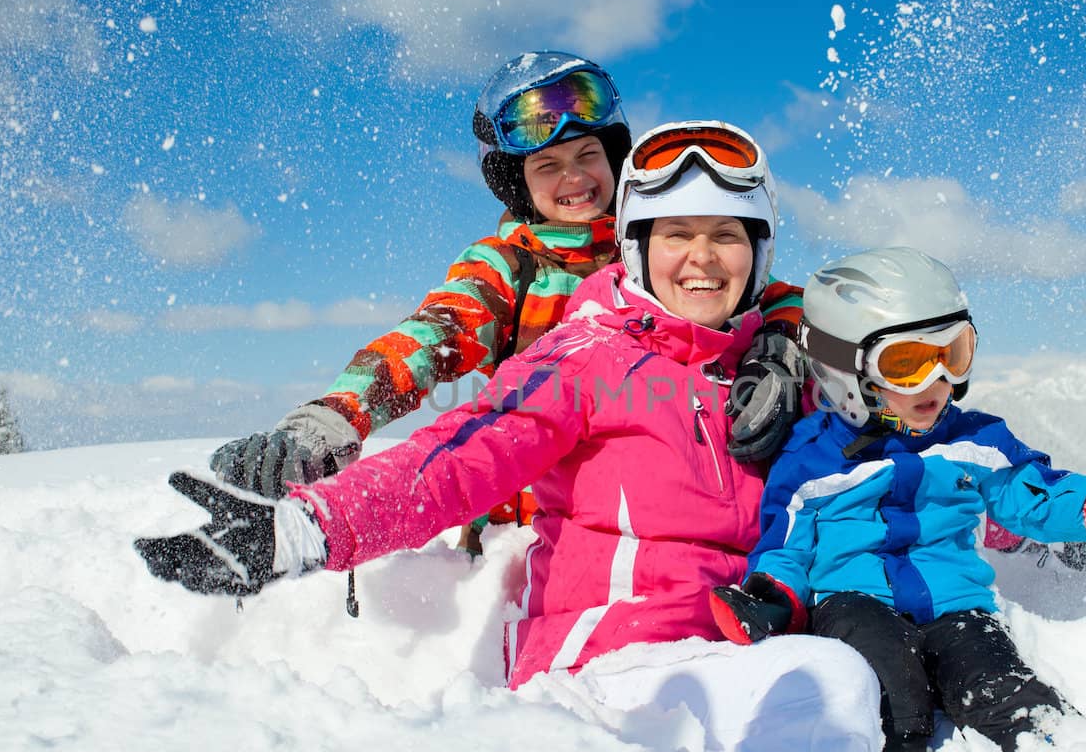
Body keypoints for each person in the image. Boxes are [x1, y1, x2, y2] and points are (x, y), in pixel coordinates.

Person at [135, 122, 884, 752]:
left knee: (854, 689)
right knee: (828, 697)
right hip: (617, 653)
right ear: (637, 243)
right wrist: (309, 510)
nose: (702, 257)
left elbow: (878, 431)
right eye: (676, 233)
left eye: (726, 235)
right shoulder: (577, 337)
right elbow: (463, 443)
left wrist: (787, 344)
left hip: (737, 637)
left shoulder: (770, 359)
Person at [709, 246, 1086, 752]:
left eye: (953, 353)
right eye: (907, 364)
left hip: (957, 603)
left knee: (1003, 688)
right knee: (894, 701)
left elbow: (1038, 497)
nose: (938, 382)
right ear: (846, 370)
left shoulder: (972, 440)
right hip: (854, 603)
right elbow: (786, 543)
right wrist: (771, 601)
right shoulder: (810, 460)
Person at [209, 52, 805, 527]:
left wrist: (779, 349)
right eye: (547, 166)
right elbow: (433, 333)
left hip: (667, 511)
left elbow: (779, 296)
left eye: (586, 155)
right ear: (518, 182)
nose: (572, 178)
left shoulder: (658, 249)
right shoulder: (508, 266)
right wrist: (337, 417)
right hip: (526, 528)